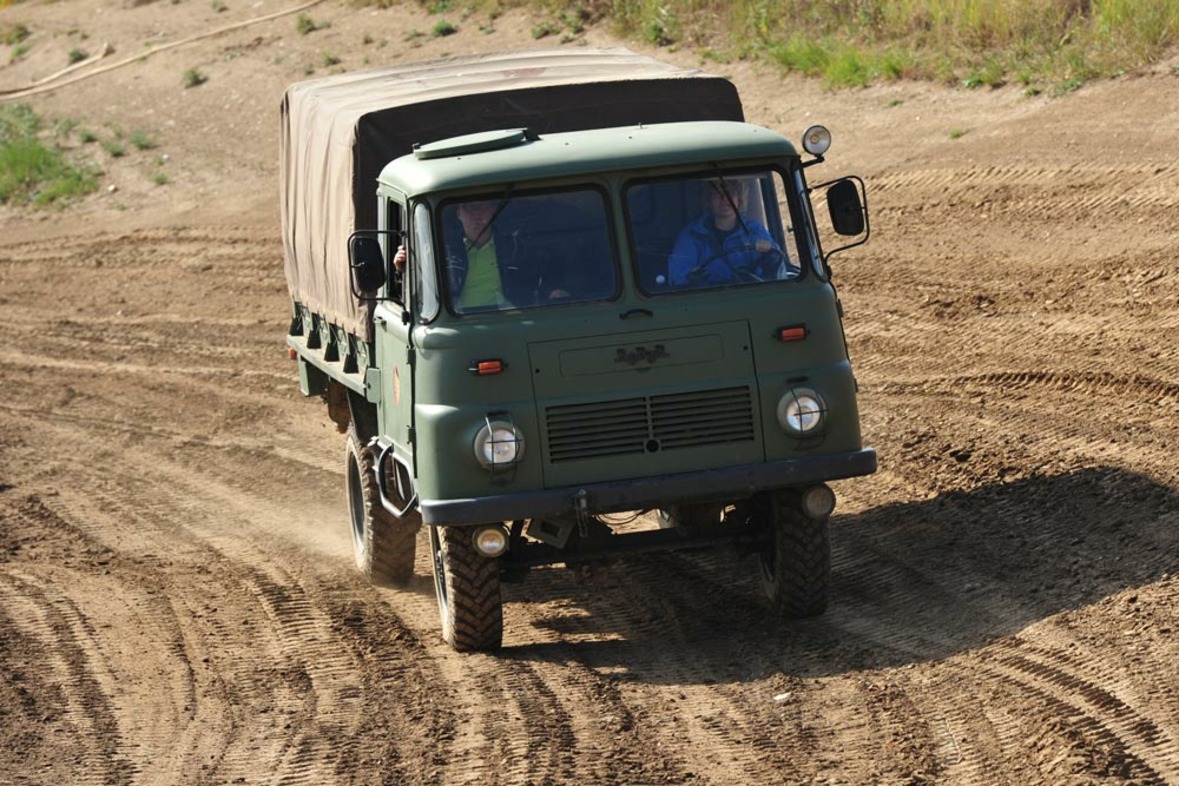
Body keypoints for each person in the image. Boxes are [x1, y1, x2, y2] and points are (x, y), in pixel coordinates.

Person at [667, 179, 788, 286]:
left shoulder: (754, 230)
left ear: (739, 199)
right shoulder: (691, 236)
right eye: (716, 194)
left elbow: (775, 264)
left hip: (750, 297)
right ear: (708, 200)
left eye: (730, 193)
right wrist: (696, 280)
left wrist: (768, 254)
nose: (724, 199)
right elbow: (678, 277)